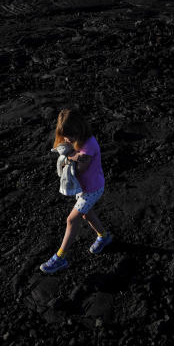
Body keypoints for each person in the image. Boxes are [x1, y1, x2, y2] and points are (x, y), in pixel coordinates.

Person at [40, 108, 113, 274]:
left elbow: (80, 169)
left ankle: (60, 257)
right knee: (87, 214)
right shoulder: (77, 142)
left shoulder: (89, 146)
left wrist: (68, 155)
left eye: (69, 136)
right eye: (64, 136)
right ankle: (104, 236)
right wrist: (70, 153)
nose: (66, 140)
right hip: (85, 188)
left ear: (79, 130)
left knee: (71, 220)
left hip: (93, 189)